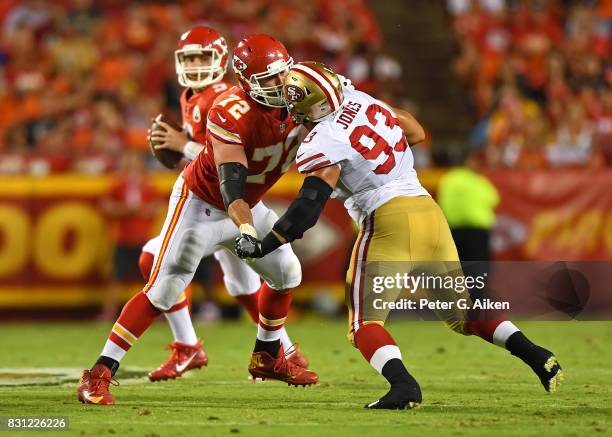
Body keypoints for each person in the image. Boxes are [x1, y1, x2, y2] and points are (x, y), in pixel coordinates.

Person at [235, 61, 563, 409]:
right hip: (428, 211)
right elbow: (416, 131)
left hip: (389, 219)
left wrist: (265, 244)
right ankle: (537, 355)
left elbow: (308, 208)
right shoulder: (362, 100)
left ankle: (403, 385)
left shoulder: (323, 140)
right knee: (463, 314)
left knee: (363, 324)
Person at [77, 34, 317, 406]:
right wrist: (248, 226)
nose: (280, 85)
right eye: (268, 80)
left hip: (248, 204)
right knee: (164, 287)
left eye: (282, 75)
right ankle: (98, 374)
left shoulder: (306, 99)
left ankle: (268, 356)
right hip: (204, 204)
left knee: (287, 272)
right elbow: (231, 187)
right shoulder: (227, 109)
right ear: (246, 83)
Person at [139, 26, 307, 382]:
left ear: (221, 60)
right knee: (244, 286)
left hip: (229, 201)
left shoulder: (220, 99)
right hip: (220, 201)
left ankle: (190, 347)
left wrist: (181, 145)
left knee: (154, 259)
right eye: (189, 58)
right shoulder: (192, 96)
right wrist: (177, 147)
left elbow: (223, 159)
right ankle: (284, 352)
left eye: (203, 56)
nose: (197, 65)